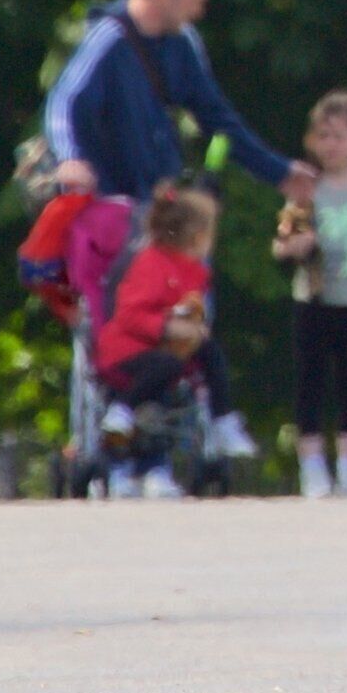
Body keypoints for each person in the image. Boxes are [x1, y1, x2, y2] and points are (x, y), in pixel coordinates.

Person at [41, 0, 317, 464]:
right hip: (114, 210)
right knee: (130, 316)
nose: (199, 12)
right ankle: (125, 446)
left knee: (185, 310)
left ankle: (191, 436)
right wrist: (70, 159)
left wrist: (278, 172)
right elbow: (62, 105)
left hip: (163, 202)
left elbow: (217, 117)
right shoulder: (108, 39)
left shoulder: (181, 43)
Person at [272, 90, 347, 497]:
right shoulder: (305, 191)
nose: (330, 145)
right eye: (323, 135)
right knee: (310, 381)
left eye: (339, 136)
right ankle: (312, 466)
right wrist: (297, 247)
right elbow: (280, 244)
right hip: (313, 296)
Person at [93, 184, 223, 499]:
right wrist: (169, 328)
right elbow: (130, 316)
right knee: (162, 372)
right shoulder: (150, 264)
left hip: (160, 353)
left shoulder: (191, 272)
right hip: (128, 350)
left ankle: (156, 466)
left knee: (172, 390)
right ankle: (119, 466)